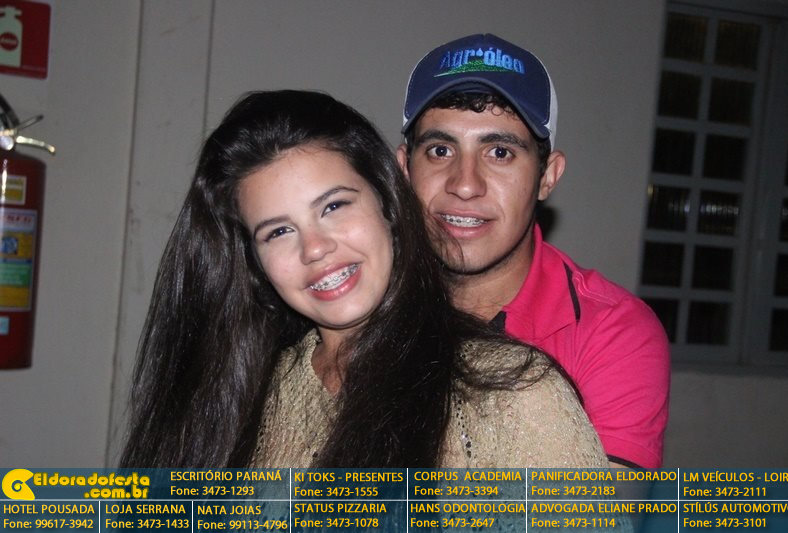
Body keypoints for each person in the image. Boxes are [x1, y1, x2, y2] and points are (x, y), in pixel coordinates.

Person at [119, 89, 610, 469]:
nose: (315, 248)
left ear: (389, 202)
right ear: (253, 260)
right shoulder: (243, 392)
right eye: (279, 231)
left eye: (334, 206)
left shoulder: (511, 396)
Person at [396, 33, 670, 470]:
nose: (464, 184)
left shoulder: (610, 333)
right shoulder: (358, 307)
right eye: (440, 150)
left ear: (548, 176)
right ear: (405, 170)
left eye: (499, 152)